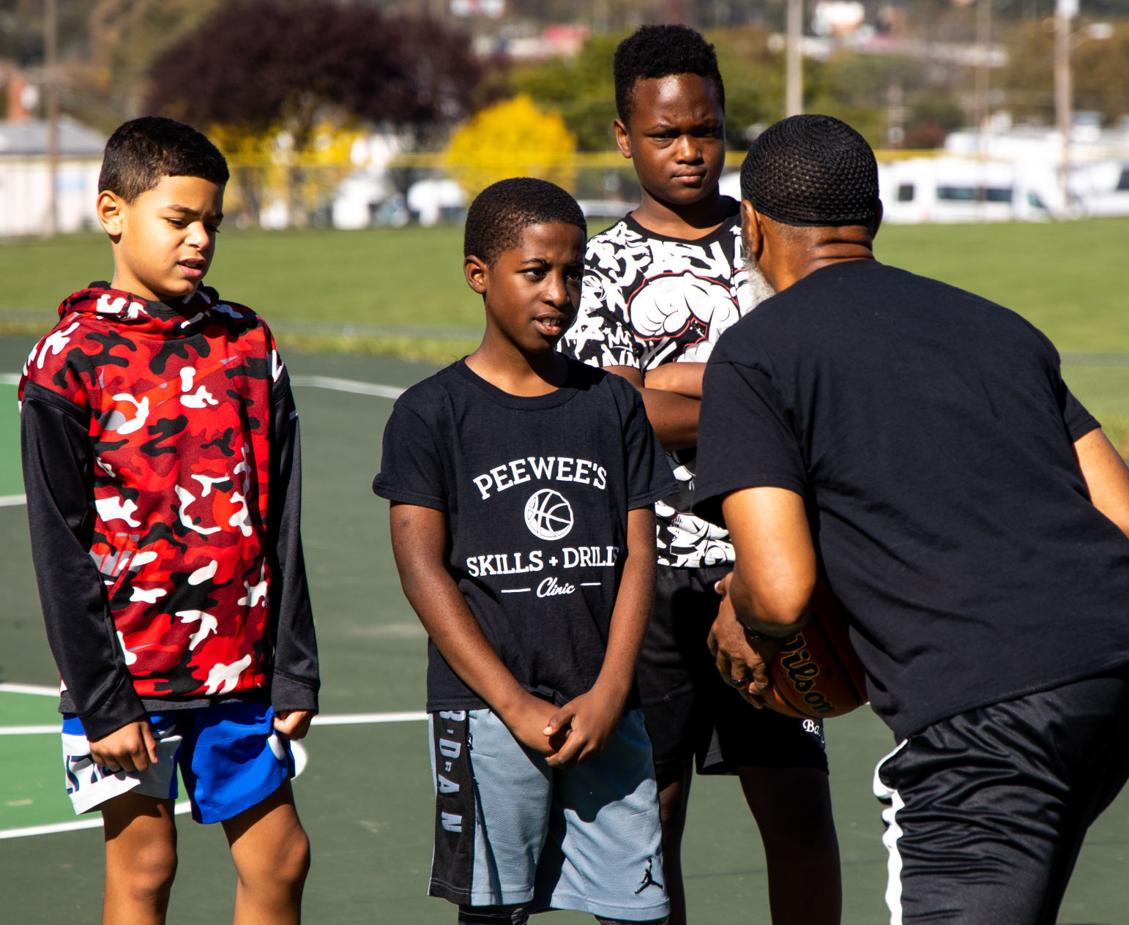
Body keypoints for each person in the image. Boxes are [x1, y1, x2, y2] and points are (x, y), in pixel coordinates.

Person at [694, 114, 1129, 925]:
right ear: (875, 219)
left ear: (751, 226)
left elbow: (778, 590)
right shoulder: (1000, 326)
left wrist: (739, 610)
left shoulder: (755, 353)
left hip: (986, 714)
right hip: (1126, 668)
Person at [558, 25, 840, 925]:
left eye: (707, 130)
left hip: (772, 566)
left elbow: (820, 385)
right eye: (665, 133)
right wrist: (751, 393)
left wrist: (671, 382)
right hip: (651, 577)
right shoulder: (600, 264)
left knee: (798, 807)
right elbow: (616, 413)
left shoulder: (771, 242)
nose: (690, 150)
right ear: (623, 136)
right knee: (654, 814)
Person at [19, 116, 319, 925]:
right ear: (112, 212)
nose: (199, 240)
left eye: (211, 222)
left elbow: (282, 515)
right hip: (128, 678)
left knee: (280, 855)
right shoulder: (66, 360)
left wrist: (294, 666)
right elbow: (58, 547)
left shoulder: (248, 344)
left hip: (239, 669)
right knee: (146, 866)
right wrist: (102, 699)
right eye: (179, 219)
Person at [373, 177, 675, 925]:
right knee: (493, 912)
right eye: (535, 272)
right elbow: (421, 568)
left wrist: (611, 691)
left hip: (605, 706)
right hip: (487, 711)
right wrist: (511, 703)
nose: (558, 293)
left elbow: (640, 556)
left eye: (573, 272)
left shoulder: (612, 404)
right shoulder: (430, 413)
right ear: (479, 274)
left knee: (638, 911)